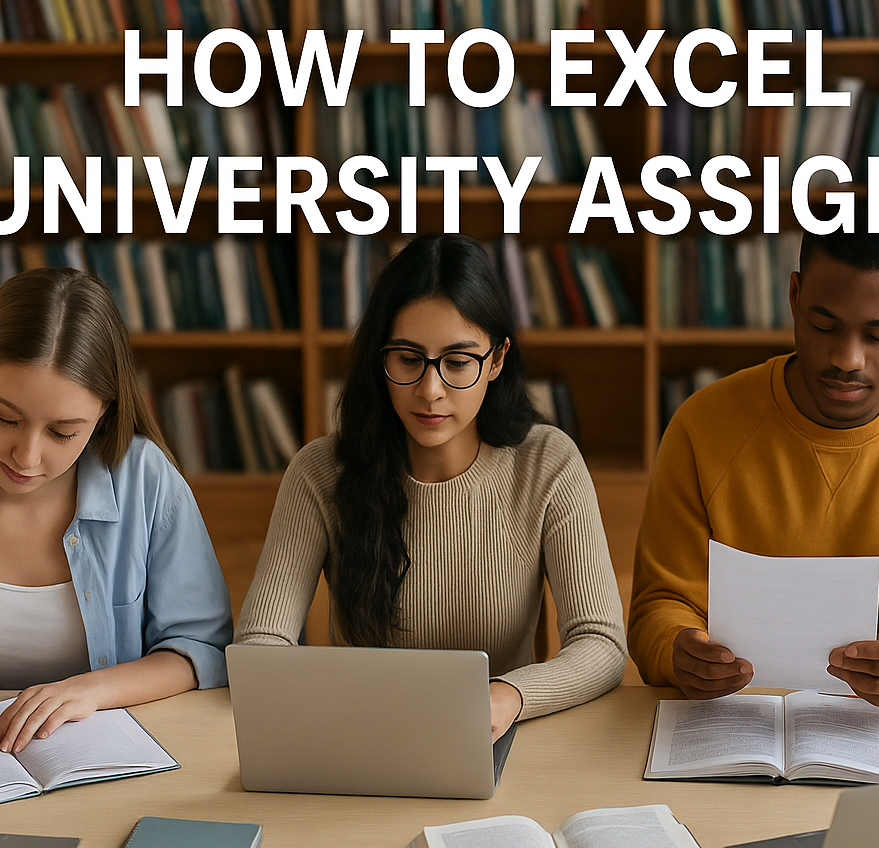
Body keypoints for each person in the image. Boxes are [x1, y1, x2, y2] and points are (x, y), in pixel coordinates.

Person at [234, 234, 626, 740]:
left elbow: (600, 643)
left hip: (495, 737)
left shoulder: (547, 463)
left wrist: (508, 695)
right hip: (358, 740)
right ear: (380, 358)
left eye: (458, 362)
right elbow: (262, 643)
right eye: (408, 359)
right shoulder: (321, 471)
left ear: (497, 360)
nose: (430, 390)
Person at [628, 214, 879, 711]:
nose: (848, 359)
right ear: (794, 297)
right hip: (732, 717)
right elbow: (657, 608)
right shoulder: (702, 426)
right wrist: (676, 650)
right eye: (823, 325)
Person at [0, 268, 233, 756]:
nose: (25, 456)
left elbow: (200, 649)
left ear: (104, 410)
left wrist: (91, 690)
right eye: (6, 417)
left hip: (100, 763)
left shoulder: (145, 480)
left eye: (63, 431)